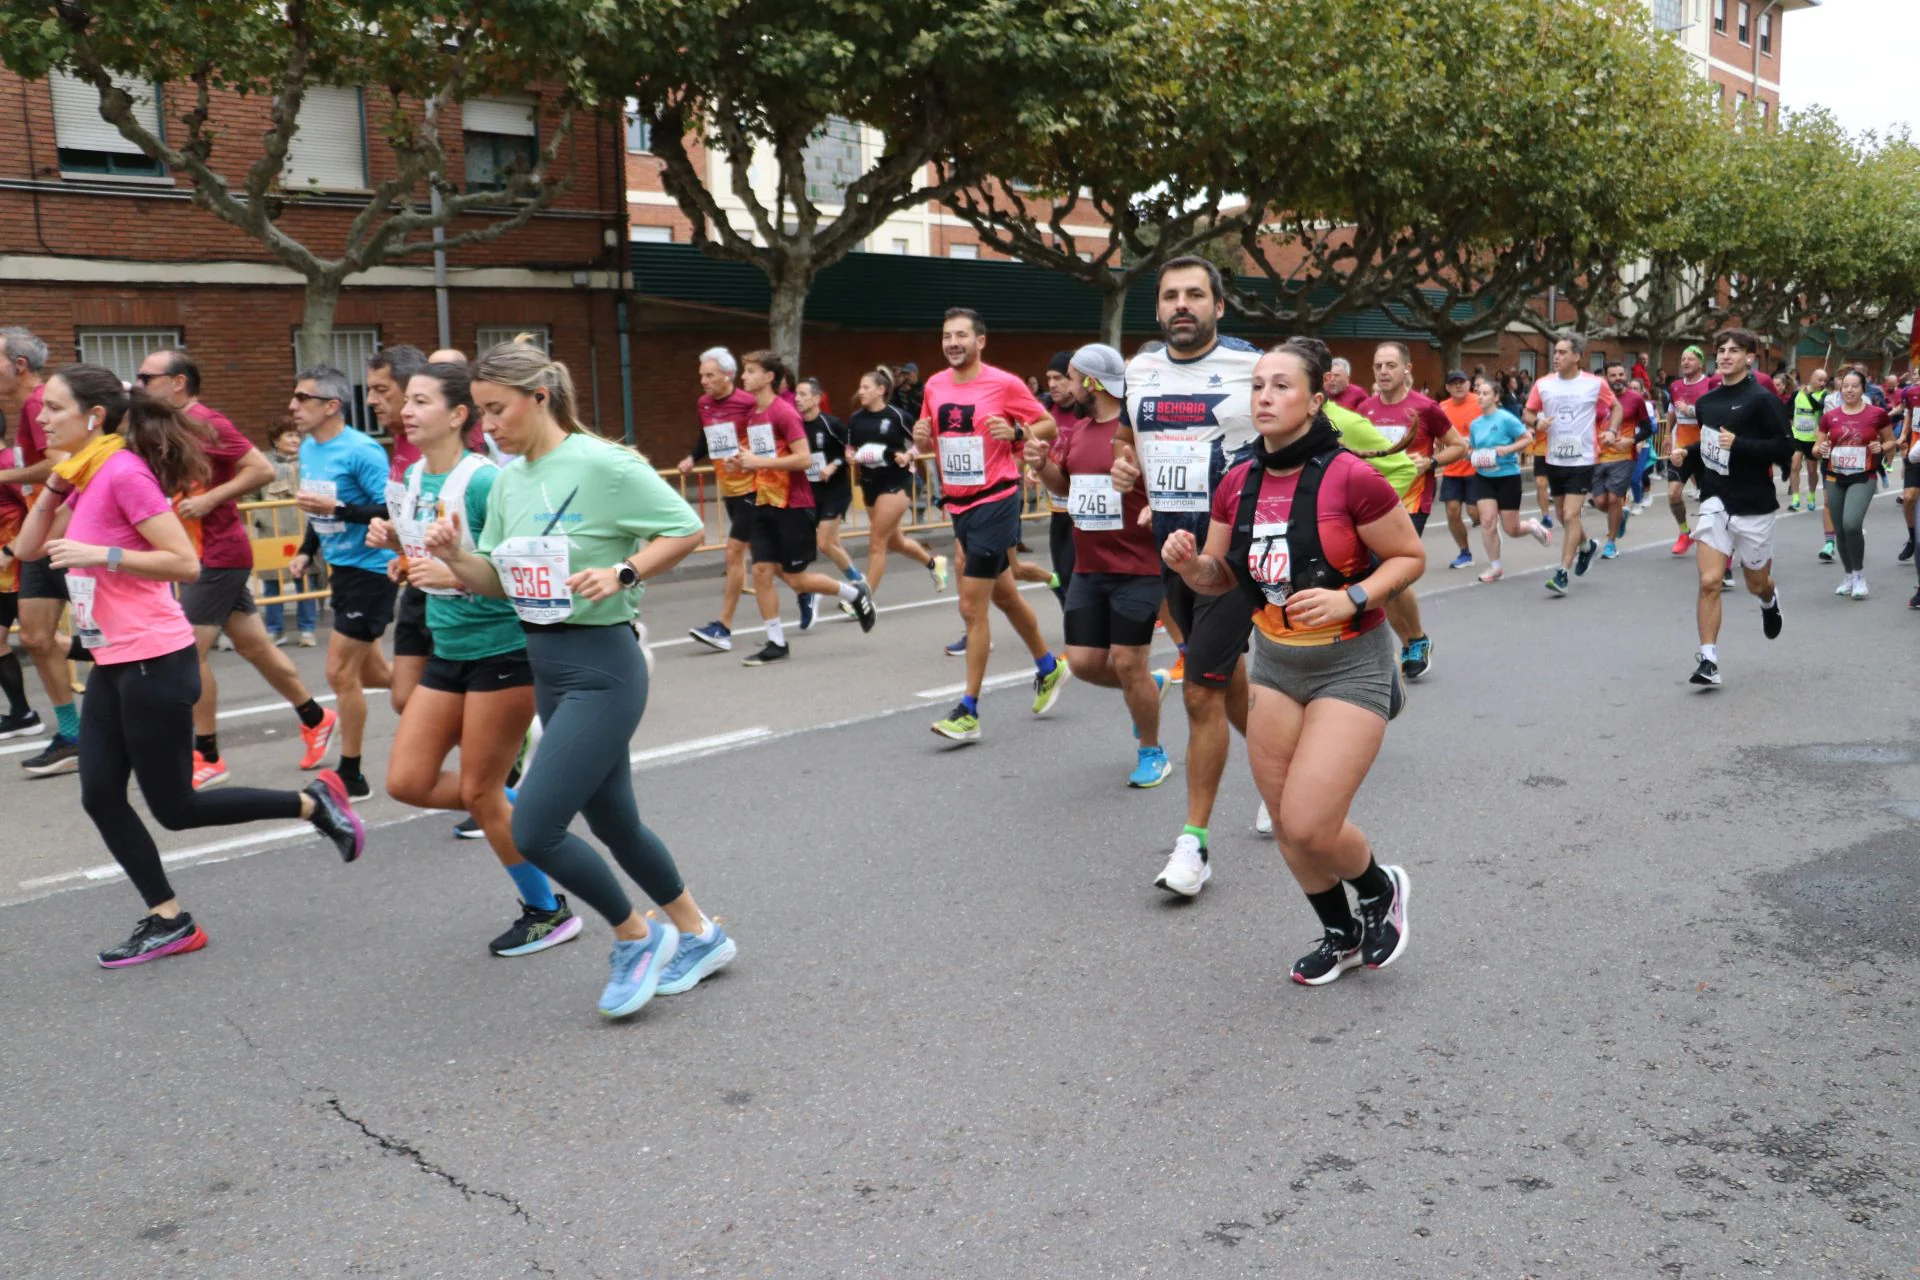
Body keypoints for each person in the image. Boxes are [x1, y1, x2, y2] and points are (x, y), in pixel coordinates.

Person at [14, 363, 362, 967]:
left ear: (94, 418)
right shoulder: (84, 475)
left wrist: (103, 553)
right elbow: (25, 551)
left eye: (54, 408)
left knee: (175, 808)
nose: (40, 418)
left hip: (155, 659)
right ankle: (169, 919)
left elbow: (184, 563)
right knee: (99, 794)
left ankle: (313, 803)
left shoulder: (123, 473)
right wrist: (53, 486)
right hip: (114, 661)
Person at [426, 340, 734, 1019]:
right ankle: (701, 934)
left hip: (604, 669)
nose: (489, 428)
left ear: (540, 397)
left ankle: (634, 936)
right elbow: (498, 585)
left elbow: (684, 528)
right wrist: (457, 560)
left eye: (498, 409)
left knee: (534, 827)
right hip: (550, 670)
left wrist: (623, 573)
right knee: (616, 823)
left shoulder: (602, 464)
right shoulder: (508, 481)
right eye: (479, 414)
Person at [1161, 337, 1424, 984]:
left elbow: (1410, 557)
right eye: (1257, 386)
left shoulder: (1350, 476)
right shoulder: (1237, 480)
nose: (1265, 396)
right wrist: (1188, 564)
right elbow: (1219, 576)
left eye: (1281, 385)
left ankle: (1379, 887)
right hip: (1276, 663)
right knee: (1286, 823)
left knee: (1311, 821)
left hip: (1350, 662)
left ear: (1314, 399)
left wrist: (1350, 598)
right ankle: (1340, 933)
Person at [365, 362, 576, 954]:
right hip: (446, 647)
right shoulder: (409, 480)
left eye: (422, 401)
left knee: (480, 793)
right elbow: (427, 561)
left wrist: (456, 572)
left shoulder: (486, 481)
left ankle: (546, 908)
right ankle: (526, 810)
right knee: (407, 780)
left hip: (502, 650)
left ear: (458, 415)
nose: (406, 410)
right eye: (406, 400)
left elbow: (525, 569)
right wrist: (404, 558)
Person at [1109, 257, 1262, 890]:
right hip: (1169, 543)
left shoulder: (1253, 368)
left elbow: (1302, 435)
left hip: (1233, 547)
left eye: (1195, 295)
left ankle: (1192, 846)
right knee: (1225, 678)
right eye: (1170, 295)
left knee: (1200, 688)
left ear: (1219, 307)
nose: (1182, 305)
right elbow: (1127, 439)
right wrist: (1127, 470)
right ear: (1157, 309)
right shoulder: (1140, 370)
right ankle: (1283, 769)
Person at [133, 349, 337, 790]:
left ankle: (207, 755)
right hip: (198, 552)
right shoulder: (167, 423)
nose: (140, 383)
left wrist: (210, 499)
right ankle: (316, 718)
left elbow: (260, 469)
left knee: (189, 654)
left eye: (147, 377)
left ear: (178, 382)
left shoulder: (209, 421)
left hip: (218, 552)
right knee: (254, 646)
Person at [914, 308, 1065, 742]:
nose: (953, 342)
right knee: (1006, 595)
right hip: (959, 505)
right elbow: (927, 436)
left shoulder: (1004, 383)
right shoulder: (935, 384)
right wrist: (922, 438)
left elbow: (1048, 425)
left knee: (971, 607)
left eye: (961, 335)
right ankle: (1048, 667)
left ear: (981, 341)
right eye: (947, 336)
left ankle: (969, 710)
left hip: (996, 500)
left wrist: (1017, 435)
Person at [1028, 343, 1170, 789]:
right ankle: (1147, 689)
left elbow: (1168, 488)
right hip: (1089, 568)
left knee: (1128, 661)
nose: (1063, 388)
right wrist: (1042, 466)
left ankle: (1152, 750)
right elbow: (1067, 487)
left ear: (1090, 381)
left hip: (1139, 566)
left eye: (1070, 378)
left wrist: (1155, 509)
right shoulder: (1078, 431)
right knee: (1086, 663)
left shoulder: (1139, 433)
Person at [286, 367, 396, 800]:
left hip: (373, 568)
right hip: (342, 569)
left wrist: (339, 509)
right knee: (378, 674)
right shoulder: (311, 448)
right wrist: (305, 549)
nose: (293, 406)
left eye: (302, 398)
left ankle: (352, 775)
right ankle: (443, 691)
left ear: (331, 405)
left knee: (340, 673)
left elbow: (388, 509)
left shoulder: (363, 451)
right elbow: (320, 507)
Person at [727, 350, 877, 665]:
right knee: (761, 571)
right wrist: (742, 463)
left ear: (769, 377)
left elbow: (804, 458)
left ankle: (854, 593)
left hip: (792, 504)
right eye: (745, 371)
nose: (744, 377)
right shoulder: (754, 414)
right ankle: (776, 642)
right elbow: (764, 459)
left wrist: (759, 461)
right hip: (763, 500)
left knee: (796, 579)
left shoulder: (784, 413)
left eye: (751, 371)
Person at [1669, 330, 1794, 686]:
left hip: (1754, 503)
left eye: (1734, 351)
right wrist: (1686, 457)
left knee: (1756, 582)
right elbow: (1710, 449)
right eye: (1721, 350)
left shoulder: (1761, 400)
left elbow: (1784, 448)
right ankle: (1708, 660)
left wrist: (1740, 444)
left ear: (1749, 358)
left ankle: (1769, 601)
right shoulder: (1708, 401)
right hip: (1715, 498)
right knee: (1709, 581)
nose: (1725, 356)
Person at [1356, 342, 1466, 674]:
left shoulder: (1425, 408)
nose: (1384, 371)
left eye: (1391, 365)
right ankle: (1411, 643)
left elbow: (1459, 446)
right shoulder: (1363, 410)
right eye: (1378, 366)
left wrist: (1430, 461)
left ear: (1407, 369)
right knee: (1380, 583)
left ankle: (1413, 641)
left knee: (1389, 577)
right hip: (1369, 505)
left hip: (1410, 502)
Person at [0, 327, 80, 775]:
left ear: (19, 365)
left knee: (110, 638)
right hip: (40, 535)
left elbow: (59, 464)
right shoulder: (28, 406)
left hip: (65, 533)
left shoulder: (38, 403)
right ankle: (71, 734)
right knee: (33, 636)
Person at [1524, 334, 1621, 596]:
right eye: (1555, 352)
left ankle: (1562, 573)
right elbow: (1528, 412)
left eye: (1563, 352)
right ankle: (1587, 546)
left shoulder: (1594, 383)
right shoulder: (1543, 384)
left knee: (1570, 515)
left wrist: (1612, 431)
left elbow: (1616, 407)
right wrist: (1536, 423)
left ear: (1577, 356)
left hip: (1583, 458)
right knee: (1560, 516)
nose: (1556, 356)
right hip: (1554, 457)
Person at [365, 346, 433, 713]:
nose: (371, 399)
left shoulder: (436, 444)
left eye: (381, 390)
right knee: (405, 699)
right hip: (415, 580)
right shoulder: (399, 442)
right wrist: (397, 541)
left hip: (453, 591)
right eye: (370, 389)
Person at [680, 348, 759, 652]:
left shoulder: (748, 403)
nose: (703, 381)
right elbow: (706, 438)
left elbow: (766, 442)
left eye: (709, 375)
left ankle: (723, 627)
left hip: (755, 487)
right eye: (702, 375)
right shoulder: (704, 404)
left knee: (733, 553)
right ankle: (805, 589)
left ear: (728, 376)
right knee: (765, 558)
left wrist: (747, 460)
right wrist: (691, 457)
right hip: (729, 488)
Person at [846, 369, 945, 595]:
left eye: (865, 387)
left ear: (881, 390)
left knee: (876, 542)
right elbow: (850, 446)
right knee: (894, 541)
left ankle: (864, 598)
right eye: (860, 387)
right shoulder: (856, 419)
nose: (860, 392)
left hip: (897, 481)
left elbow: (922, 443)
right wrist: (850, 455)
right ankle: (933, 563)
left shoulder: (898, 416)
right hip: (870, 483)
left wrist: (909, 455)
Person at [1813, 367, 1894, 601]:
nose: (1849, 390)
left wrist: (1882, 447)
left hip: (1863, 475)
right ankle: (1848, 575)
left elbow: (1890, 442)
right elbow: (1816, 448)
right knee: (1839, 529)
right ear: (1840, 389)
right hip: (1834, 476)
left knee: (1851, 524)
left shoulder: (1877, 414)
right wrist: (1822, 449)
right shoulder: (1831, 416)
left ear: (1862, 389)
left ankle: (1859, 575)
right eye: (1845, 386)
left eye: (1854, 386)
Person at [1464, 374, 1550, 582]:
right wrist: (1470, 453)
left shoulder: (1506, 419)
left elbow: (1527, 438)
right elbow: (1474, 448)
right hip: (1484, 477)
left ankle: (1531, 526)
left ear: (1496, 397)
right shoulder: (1475, 424)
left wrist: (1508, 448)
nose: (1480, 397)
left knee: (1511, 529)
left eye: (1485, 394)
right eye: (1479, 393)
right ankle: (1495, 567)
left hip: (1507, 476)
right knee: (1487, 522)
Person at [794, 376, 863, 632]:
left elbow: (849, 454)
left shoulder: (830, 424)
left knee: (824, 543)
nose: (798, 399)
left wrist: (833, 465)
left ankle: (858, 582)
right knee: (832, 544)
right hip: (809, 494)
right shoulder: (795, 426)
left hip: (835, 491)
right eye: (796, 395)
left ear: (815, 398)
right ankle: (814, 590)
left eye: (803, 394)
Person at [256, 422, 319, 645]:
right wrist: (259, 518)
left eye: (297, 435)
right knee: (273, 582)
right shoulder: (262, 462)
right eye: (289, 435)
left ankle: (307, 629)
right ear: (275, 440)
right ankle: (275, 629)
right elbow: (250, 496)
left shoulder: (309, 461)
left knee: (305, 578)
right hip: (272, 529)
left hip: (303, 528)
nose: (295, 440)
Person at [0, 414, 42, 737]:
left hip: (15, 568)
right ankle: (22, 713)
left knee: (42, 640)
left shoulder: (7, 465)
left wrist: (11, 550)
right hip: (5, 572)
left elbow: (33, 512)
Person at [1041, 351, 1087, 610]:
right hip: (1058, 508)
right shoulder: (1045, 410)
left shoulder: (1087, 411)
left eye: (1059, 378)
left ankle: (1083, 638)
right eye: (1049, 378)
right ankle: (1077, 631)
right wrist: (1035, 466)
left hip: (1085, 509)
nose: (1052, 384)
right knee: (1061, 576)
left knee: (1077, 577)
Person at [1664, 345, 1715, 556]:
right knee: (1673, 494)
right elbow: (1672, 412)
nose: (1685, 362)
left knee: (1710, 499)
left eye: (1691, 359)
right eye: (1683, 359)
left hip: (1705, 448)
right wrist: (1667, 435)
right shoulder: (1675, 386)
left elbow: (1715, 412)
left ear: (1700, 363)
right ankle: (1684, 533)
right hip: (1681, 448)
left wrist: (1692, 410)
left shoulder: (1710, 384)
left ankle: (1715, 537)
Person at [1596, 361, 1646, 559]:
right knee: (1600, 502)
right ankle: (1619, 516)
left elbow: (1649, 428)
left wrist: (1632, 440)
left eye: (1620, 374)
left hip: (1624, 456)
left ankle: (1611, 543)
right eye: (1613, 375)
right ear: (1606, 378)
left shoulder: (1635, 399)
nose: (1618, 378)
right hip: (1598, 456)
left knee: (1614, 498)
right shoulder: (1596, 399)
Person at [1436, 370, 1480, 570]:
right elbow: (1437, 435)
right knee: (1453, 512)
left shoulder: (1480, 403)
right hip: (1452, 469)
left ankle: (1486, 520)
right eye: (1453, 383)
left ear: (1468, 384)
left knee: (1474, 512)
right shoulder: (1442, 408)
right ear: (1447, 388)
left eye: (1462, 382)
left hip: (1476, 468)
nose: (1458, 386)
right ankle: (1465, 552)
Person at [1787, 369, 1826, 514]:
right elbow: (1787, 409)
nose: (1822, 383)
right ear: (1812, 378)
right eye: (1819, 379)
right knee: (1795, 465)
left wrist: (1809, 395)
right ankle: (1796, 500)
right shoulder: (1797, 393)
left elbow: (1818, 407)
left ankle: (1811, 496)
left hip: (1813, 439)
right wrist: (1789, 424)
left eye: (1824, 381)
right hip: (1797, 437)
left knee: (1811, 471)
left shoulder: (1824, 395)